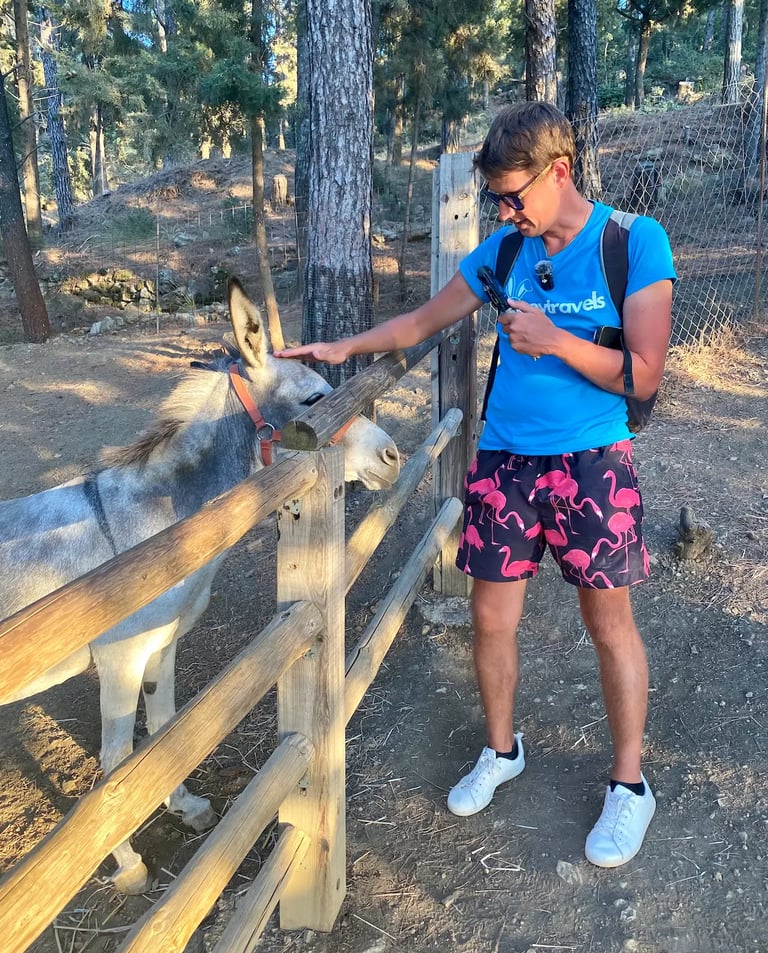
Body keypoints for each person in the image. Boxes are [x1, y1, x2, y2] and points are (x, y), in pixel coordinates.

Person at [275, 101, 676, 868]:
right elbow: (422, 322)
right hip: (505, 464)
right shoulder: (501, 252)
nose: (504, 209)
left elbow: (646, 372)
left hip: (593, 461)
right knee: (490, 621)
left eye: (513, 193)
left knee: (609, 626)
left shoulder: (632, 242)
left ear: (561, 171)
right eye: (495, 197)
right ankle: (502, 749)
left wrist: (556, 341)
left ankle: (629, 786)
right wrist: (341, 346)